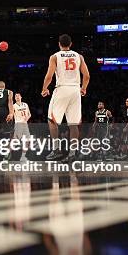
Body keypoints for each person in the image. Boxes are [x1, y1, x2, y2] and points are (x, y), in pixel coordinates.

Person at [41, 34, 90, 162]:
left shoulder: (55, 57)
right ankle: (72, 154)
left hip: (62, 89)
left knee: (52, 120)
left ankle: (56, 150)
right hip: (75, 90)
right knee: (73, 124)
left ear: (59, 44)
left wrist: (45, 88)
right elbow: (87, 76)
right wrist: (83, 88)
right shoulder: (79, 56)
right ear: (71, 44)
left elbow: (49, 76)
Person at [13, 93, 32, 160]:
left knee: (27, 140)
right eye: (16, 96)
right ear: (15, 98)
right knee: (15, 141)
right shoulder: (13, 106)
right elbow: (11, 115)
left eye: (18, 96)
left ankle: (23, 156)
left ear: (21, 97)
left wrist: (27, 118)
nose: (17, 97)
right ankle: (6, 155)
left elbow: (29, 114)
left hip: (25, 124)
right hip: (18, 124)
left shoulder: (25, 104)